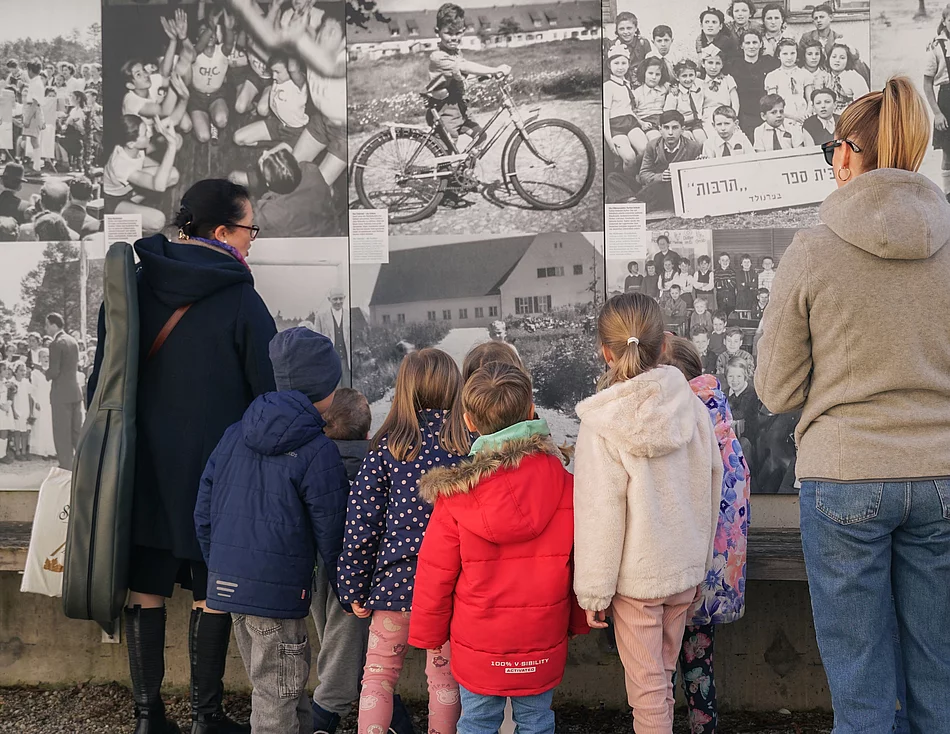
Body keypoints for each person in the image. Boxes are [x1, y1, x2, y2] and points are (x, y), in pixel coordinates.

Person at [756, 76, 950, 732]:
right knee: (939, 677)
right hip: (942, 474)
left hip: (844, 478)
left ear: (846, 153)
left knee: (861, 688)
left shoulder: (813, 249)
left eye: (832, 148)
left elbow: (776, 390)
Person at [87, 179, 277, 734]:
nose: (252, 240)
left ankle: (148, 718)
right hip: (214, 471)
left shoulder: (131, 285)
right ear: (221, 231)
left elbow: (102, 381)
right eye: (250, 229)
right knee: (210, 586)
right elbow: (268, 390)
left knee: (145, 583)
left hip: (140, 467)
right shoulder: (240, 296)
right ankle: (205, 717)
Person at [409, 362, 587, 734]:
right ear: (531, 410)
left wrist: (429, 635)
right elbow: (580, 565)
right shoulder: (567, 486)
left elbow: (435, 574)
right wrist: (577, 621)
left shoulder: (456, 498)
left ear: (469, 421)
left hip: (478, 642)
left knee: (476, 721)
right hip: (542, 636)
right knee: (537, 720)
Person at [573, 293, 721, 734]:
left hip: (636, 580)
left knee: (648, 693)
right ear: (663, 345)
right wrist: (700, 564)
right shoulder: (694, 409)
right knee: (662, 679)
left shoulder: (602, 423)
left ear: (605, 351)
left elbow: (600, 511)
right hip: (683, 572)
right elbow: (710, 485)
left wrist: (594, 592)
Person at [195, 328, 349, 734]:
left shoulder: (234, 434)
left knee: (283, 686)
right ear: (325, 388)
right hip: (277, 598)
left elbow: (204, 512)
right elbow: (333, 533)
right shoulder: (319, 450)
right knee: (276, 696)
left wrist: (222, 568)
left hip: (232, 589)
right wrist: (348, 590)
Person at [337, 349, 471, 734]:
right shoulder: (469, 446)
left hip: (394, 586)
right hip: (450, 589)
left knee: (378, 675)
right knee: (444, 680)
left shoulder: (387, 447)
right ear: (455, 388)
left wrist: (353, 587)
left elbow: (362, 524)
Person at [309, 386, 415, 734]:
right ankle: (330, 715)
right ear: (369, 430)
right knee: (356, 656)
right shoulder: (380, 461)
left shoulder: (313, 461)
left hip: (316, 568)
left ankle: (335, 716)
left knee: (344, 651)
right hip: (365, 573)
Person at [661, 336, 750, 734]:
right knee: (699, 665)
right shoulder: (718, 412)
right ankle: (704, 728)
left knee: (658, 670)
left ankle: (658, 726)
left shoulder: (681, 415)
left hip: (677, 569)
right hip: (713, 571)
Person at [425, 3, 510, 153]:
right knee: (447, 154)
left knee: (480, 136)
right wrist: (495, 69)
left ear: (463, 31)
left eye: (458, 33)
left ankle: (465, 166)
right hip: (445, 113)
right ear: (438, 32)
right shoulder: (438, 57)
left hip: (460, 109)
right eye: (448, 33)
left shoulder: (456, 53)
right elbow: (463, 67)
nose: (454, 38)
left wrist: (487, 75)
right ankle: (449, 169)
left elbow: (463, 76)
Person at [102, 115, 181, 235]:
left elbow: (161, 173)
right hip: (112, 201)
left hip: (129, 190)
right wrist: (172, 146)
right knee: (158, 221)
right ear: (131, 144)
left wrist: (164, 125)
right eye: (145, 134)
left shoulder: (132, 145)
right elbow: (159, 186)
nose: (149, 134)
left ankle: (133, 204)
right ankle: (115, 225)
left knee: (173, 174)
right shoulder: (121, 165)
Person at [637, 111, 703, 212]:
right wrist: (661, 176)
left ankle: (641, 202)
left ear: (682, 129)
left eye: (675, 128)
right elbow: (643, 174)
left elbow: (696, 179)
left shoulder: (693, 147)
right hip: (657, 187)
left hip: (678, 191)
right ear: (660, 129)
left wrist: (700, 164)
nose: (670, 132)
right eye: (666, 128)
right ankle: (635, 201)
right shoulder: (652, 145)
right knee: (615, 178)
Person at [44, 313, 82, 470]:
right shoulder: (73, 341)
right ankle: (84, 464)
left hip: (61, 394)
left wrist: (45, 372)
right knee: (76, 431)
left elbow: (54, 371)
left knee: (62, 432)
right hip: (75, 392)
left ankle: (66, 466)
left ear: (54, 325)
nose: (46, 328)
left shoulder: (56, 344)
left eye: (47, 325)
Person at [604, 46, 647, 169]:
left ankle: (639, 174)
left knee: (645, 149)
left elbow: (628, 109)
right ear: (609, 65)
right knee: (629, 157)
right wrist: (609, 141)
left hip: (631, 122)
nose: (620, 67)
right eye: (616, 63)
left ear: (628, 65)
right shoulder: (608, 86)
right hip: (616, 126)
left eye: (624, 63)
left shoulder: (627, 84)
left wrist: (641, 122)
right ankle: (627, 178)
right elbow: (605, 115)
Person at [733, 28, 779, 138]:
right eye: (747, 43)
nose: (751, 46)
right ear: (742, 45)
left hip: (766, 112)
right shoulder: (734, 65)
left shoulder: (770, 63)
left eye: (755, 42)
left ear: (761, 44)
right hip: (744, 114)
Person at [925, 4, 950, 201]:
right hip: (946, 100)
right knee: (948, 151)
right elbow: (927, 84)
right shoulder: (936, 47)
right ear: (944, 21)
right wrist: (937, 113)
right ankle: (948, 194)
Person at [764, 40, 813, 125]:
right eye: (785, 54)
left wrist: (807, 113)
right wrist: (792, 117)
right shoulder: (773, 76)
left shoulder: (805, 74)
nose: (789, 57)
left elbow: (810, 99)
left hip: (803, 116)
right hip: (783, 117)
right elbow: (773, 104)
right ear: (778, 55)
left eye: (792, 53)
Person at [314, 288, 350, 387]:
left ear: (344, 298)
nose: (338, 302)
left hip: (346, 362)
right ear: (329, 299)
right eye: (335, 299)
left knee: (347, 391)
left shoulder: (349, 315)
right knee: (333, 390)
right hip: (330, 362)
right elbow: (316, 341)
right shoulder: (320, 317)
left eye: (340, 298)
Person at [664, 61, 707, 142]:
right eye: (684, 76)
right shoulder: (674, 94)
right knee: (688, 140)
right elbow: (669, 114)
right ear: (677, 77)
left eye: (691, 75)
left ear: (696, 75)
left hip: (696, 122)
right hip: (681, 124)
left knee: (702, 140)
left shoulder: (700, 85)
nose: (688, 79)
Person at [606, 12, 653, 83]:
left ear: (635, 28)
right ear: (617, 30)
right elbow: (606, 70)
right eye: (621, 29)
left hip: (640, 82)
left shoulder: (643, 43)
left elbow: (650, 65)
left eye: (629, 28)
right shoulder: (611, 45)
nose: (626, 32)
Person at [826, 43, 869, 115]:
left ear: (848, 60)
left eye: (842, 58)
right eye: (834, 57)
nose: (837, 60)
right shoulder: (825, 75)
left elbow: (863, 103)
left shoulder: (855, 78)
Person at [29, 348, 55, 459]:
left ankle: (52, 450)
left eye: (48, 356)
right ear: (39, 358)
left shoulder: (53, 371)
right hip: (41, 400)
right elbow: (33, 389)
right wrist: (36, 401)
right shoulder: (35, 373)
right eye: (43, 356)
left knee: (52, 424)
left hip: (52, 400)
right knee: (42, 424)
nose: (46, 358)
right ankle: (43, 450)